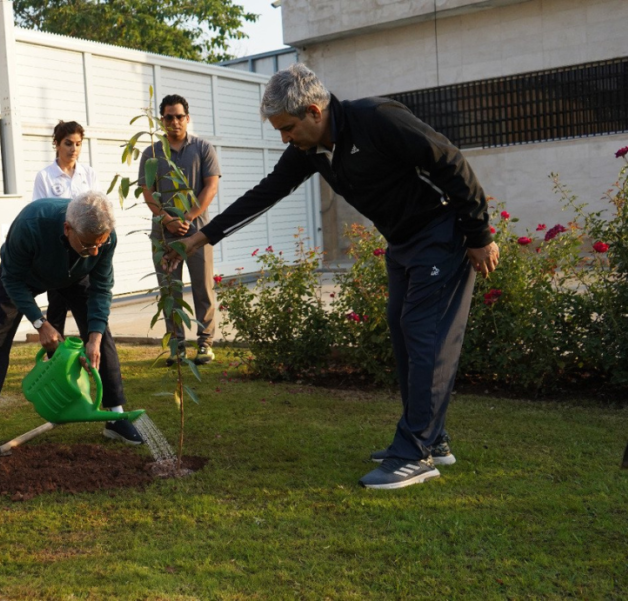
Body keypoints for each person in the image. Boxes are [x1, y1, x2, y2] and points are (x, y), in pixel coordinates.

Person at [167, 64, 500, 489]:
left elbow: (450, 161)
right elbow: (267, 192)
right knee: (404, 331)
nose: (285, 139)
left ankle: (414, 452)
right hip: (403, 243)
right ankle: (432, 440)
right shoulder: (312, 150)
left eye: (287, 128)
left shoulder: (377, 119)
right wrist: (202, 237)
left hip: (442, 233)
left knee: (424, 333)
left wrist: (479, 234)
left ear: (313, 111)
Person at [0, 191, 143, 460]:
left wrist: (95, 337)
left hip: (74, 275)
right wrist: (40, 322)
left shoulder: (104, 237)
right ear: (68, 229)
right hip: (24, 276)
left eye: (100, 245)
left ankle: (115, 416)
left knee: (101, 336)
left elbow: (101, 288)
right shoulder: (31, 223)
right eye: (89, 245)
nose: (96, 252)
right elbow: (14, 280)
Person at [140, 94, 221, 367]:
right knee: (169, 292)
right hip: (164, 235)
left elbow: (210, 187)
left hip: (198, 233)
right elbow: (147, 192)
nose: (174, 121)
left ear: (188, 118)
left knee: (202, 289)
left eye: (179, 116)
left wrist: (188, 217)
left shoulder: (203, 148)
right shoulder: (151, 154)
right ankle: (177, 347)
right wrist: (166, 219)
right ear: (161, 120)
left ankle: (205, 344)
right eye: (168, 117)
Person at [32, 120, 98, 337]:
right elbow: (40, 214)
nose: (74, 149)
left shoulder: (88, 174)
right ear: (57, 144)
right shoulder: (45, 176)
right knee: (57, 308)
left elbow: (96, 209)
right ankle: (55, 360)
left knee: (86, 306)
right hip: (58, 251)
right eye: (68, 143)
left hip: (84, 250)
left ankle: (92, 352)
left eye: (78, 144)